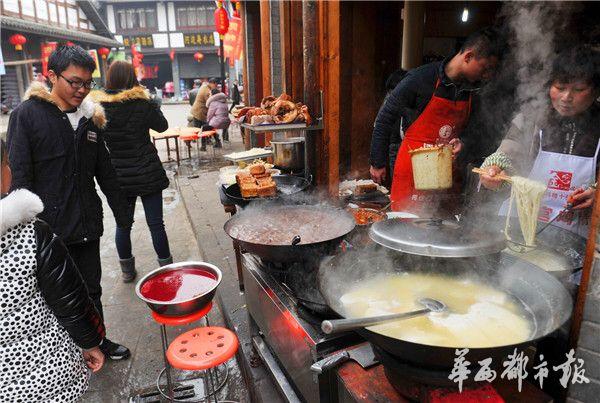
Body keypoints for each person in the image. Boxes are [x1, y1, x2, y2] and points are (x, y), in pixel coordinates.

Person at [6, 45, 132, 360]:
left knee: (91, 290)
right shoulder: (27, 115)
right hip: (47, 230)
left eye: (87, 83)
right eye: (74, 82)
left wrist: (122, 212)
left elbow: (104, 169)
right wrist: (22, 230)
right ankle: (63, 353)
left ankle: (98, 342)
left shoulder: (90, 119)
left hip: (86, 222)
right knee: (51, 297)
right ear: (52, 76)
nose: (81, 90)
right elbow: (19, 174)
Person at [0, 139, 106, 401]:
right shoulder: (29, 234)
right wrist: (90, 343)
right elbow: (70, 301)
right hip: (47, 376)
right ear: (4, 174)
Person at [369, 28, 503, 214]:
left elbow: (478, 131)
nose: (487, 75)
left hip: (447, 174)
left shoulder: (474, 90)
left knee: (444, 231)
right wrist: (377, 162)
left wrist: (464, 143)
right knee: (405, 230)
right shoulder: (420, 78)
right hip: (412, 172)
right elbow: (385, 118)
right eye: (485, 68)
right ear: (468, 56)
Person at [480, 46, 600, 238]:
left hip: (578, 234)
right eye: (560, 88)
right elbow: (506, 155)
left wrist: (597, 195)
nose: (566, 97)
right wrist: (494, 169)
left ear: (595, 92)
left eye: (578, 90)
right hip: (518, 224)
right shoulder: (531, 118)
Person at [89, 61, 173, 283]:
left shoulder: (98, 107)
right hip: (147, 171)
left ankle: (127, 270)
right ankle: (166, 267)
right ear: (132, 78)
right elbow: (162, 126)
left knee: (122, 224)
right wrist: (154, 104)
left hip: (118, 174)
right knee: (156, 224)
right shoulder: (142, 102)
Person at [191, 77, 218, 151]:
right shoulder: (207, 91)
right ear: (212, 83)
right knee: (203, 128)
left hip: (198, 111)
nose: (215, 87)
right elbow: (210, 104)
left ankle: (209, 142)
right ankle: (203, 146)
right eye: (215, 85)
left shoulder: (204, 87)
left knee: (202, 128)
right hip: (200, 112)